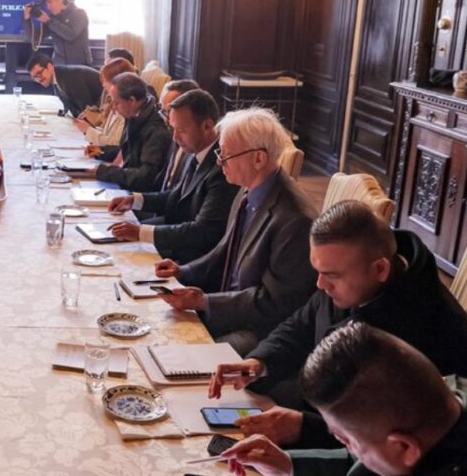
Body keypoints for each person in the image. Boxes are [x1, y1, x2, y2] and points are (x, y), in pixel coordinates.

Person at [209, 200, 467, 448]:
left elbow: (395, 437)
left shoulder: (422, 328)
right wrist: (259, 363)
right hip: (317, 409)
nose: (320, 285)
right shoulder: (353, 274)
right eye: (318, 271)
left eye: (330, 275)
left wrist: (304, 428)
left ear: (380, 269)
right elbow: (301, 325)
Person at [153, 107, 317, 355]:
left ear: (258, 159)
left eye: (227, 156)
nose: (219, 162)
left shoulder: (295, 220)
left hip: (259, 330)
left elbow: (275, 302)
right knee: (156, 327)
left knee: (184, 358)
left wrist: (205, 302)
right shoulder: (248, 189)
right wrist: (182, 271)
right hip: (227, 305)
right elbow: (224, 250)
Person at [222, 323, 467, 476]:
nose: (346, 447)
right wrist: (287, 464)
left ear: (405, 448)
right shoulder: (443, 410)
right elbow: (367, 460)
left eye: (347, 440)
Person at [108, 89, 239, 262]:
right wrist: (135, 200)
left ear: (207, 126)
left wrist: (142, 232)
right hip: (177, 235)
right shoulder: (195, 152)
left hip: (193, 255)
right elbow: (176, 196)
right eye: (173, 129)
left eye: (181, 130)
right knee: (112, 243)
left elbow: (203, 231)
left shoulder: (222, 168)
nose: (175, 137)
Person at [89, 72, 173, 192]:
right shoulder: (136, 115)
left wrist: (106, 172)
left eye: (117, 102)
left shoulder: (154, 129)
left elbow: (146, 176)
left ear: (132, 100)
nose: (113, 107)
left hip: (137, 196)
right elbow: (129, 151)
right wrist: (100, 151)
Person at [73, 57, 133, 147]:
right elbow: (107, 133)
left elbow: (115, 145)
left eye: (105, 81)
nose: (103, 85)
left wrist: (88, 130)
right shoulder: (112, 102)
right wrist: (88, 128)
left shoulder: (125, 108)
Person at [22, 0, 91, 65]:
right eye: (46, 4)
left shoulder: (79, 13)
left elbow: (71, 35)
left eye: (50, 2)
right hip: (59, 65)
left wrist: (48, 21)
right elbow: (35, 39)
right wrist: (27, 20)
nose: (48, 7)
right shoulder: (52, 18)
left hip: (80, 65)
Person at [26, 51, 103, 118]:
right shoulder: (57, 77)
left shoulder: (69, 77)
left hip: (107, 106)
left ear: (50, 67)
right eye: (34, 77)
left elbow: (87, 111)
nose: (38, 79)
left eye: (39, 73)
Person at [155, 79, 200, 190]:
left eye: (169, 111)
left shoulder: (194, 146)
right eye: (163, 111)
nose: (166, 120)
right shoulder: (172, 134)